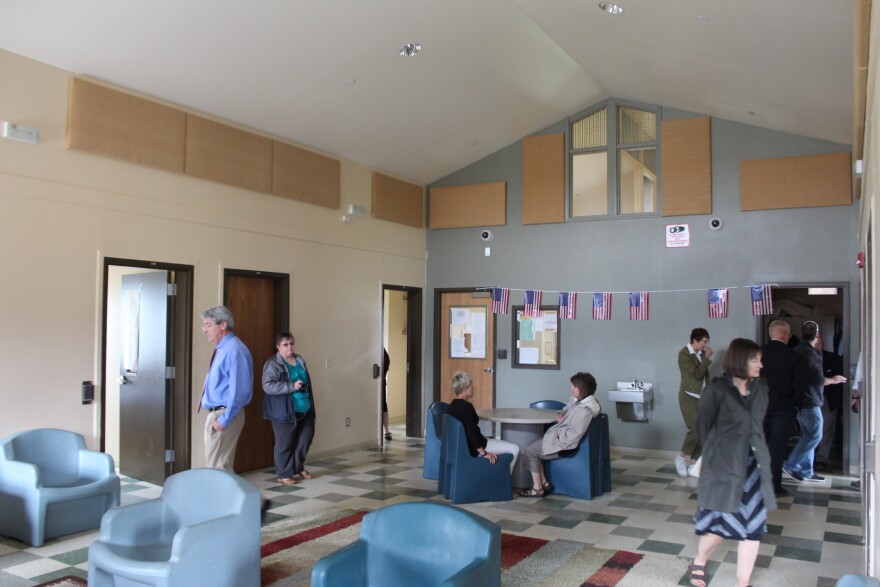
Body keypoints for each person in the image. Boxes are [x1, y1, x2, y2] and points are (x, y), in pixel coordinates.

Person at [688, 338, 776, 587]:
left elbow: (758, 426)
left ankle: (742, 583)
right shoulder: (716, 390)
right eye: (754, 359)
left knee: (753, 528)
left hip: (755, 467)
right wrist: (721, 450)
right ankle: (700, 561)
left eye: (760, 359)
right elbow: (702, 427)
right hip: (724, 468)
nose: (760, 364)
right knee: (718, 527)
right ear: (739, 360)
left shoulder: (761, 388)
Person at [519, 372, 601, 497]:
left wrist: (561, 424)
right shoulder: (588, 403)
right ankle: (544, 482)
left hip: (566, 446)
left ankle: (537, 488)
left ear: (582, 388)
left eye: (574, 386)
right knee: (535, 446)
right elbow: (571, 413)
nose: (571, 389)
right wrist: (565, 416)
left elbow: (572, 435)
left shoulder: (583, 410)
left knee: (531, 449)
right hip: (565, 441)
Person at [783, 321, 846, 483]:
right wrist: (832, 380)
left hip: (798, 399)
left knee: (807, 434)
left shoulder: (795, 351)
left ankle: (807, 470)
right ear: (817, 335)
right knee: (815, 435)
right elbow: (817, 379)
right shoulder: (811, 354)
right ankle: (792, 463)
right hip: (810, 400)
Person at [200, 305, 253, 472]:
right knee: (217, 466)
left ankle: (227, 498)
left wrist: (223, 420)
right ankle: (226, 498)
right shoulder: (223, 349)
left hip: (224, 414)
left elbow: (240, 390)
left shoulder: (234, 350)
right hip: (217, 414)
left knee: (219, 468)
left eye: (208, 325)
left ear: (222, 325)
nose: (204, 330)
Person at [262, 332, 317, 485]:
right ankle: (283, 474)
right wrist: (291, 386)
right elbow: (267, 386)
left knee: (305, 439)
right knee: (284, 443)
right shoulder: (273, 363)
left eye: (291, 343)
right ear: (278, 347)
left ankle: (297, 467)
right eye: (285, 344)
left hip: (305, 408)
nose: (289, 347)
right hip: (284, 410)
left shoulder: (299, 360)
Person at [760, 320, 803, 498]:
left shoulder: (758, 353)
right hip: (784, 407)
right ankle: (774, 486)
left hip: (760, 406)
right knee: (776, 447)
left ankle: (758, 484)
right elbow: (800, 386)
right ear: (786, 335)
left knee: (760, 446)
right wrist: (795, 405)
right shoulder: (793, 356)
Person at [446, 371, 519, 472]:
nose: (473, 388)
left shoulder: (451, 406)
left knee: (499, 442)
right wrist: (484, 453)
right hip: (476, 448)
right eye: (471, 385)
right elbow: (471, 434)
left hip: (464, 447)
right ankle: (505, 479)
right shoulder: (467, 408)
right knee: (515, 449)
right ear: (466, 389)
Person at [675, 328, 713, 478]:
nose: (706, 344)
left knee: (703, 430)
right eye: (704, 341)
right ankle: (681, 456)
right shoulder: (684, 354)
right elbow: (697, 374)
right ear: (695, 340)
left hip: (702, 397)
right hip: (688, 397)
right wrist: (707, 359)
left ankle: (693, 464)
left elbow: (704, 376)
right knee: (696, 428)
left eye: (706, 341)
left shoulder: (701, 354)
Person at [814, 335, 844, 471]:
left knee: (827, 429)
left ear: (823, 343)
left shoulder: (833, 359)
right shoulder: (802, 357)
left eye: (820, 341)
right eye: (815, 341)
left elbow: (840, 379)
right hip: (810, 399)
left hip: (829, 398)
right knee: (811, 429)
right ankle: (810, 457)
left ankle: (821, 458)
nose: (817, 344)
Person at [382, 348, 392, 441]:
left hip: (380, 382)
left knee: (383, 406)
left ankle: (386, 431)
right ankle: (386, 431)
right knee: (383, 406)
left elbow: (386, 363)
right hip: (380, 382)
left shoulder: (382, 352)